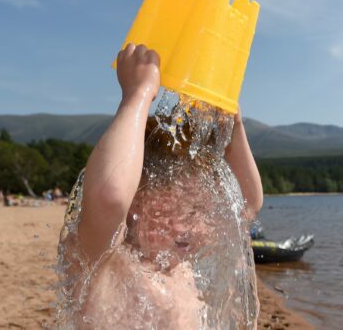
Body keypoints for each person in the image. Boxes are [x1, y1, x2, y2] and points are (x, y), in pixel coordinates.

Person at [55, 44, 263, 328]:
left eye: (202, 211)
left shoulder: (181, 267)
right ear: (135, 200)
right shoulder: (102, 257)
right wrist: (137, 96)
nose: (198, 227)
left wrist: (234, 127)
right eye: (185, 212)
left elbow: (247, 203)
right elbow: (110, 195)